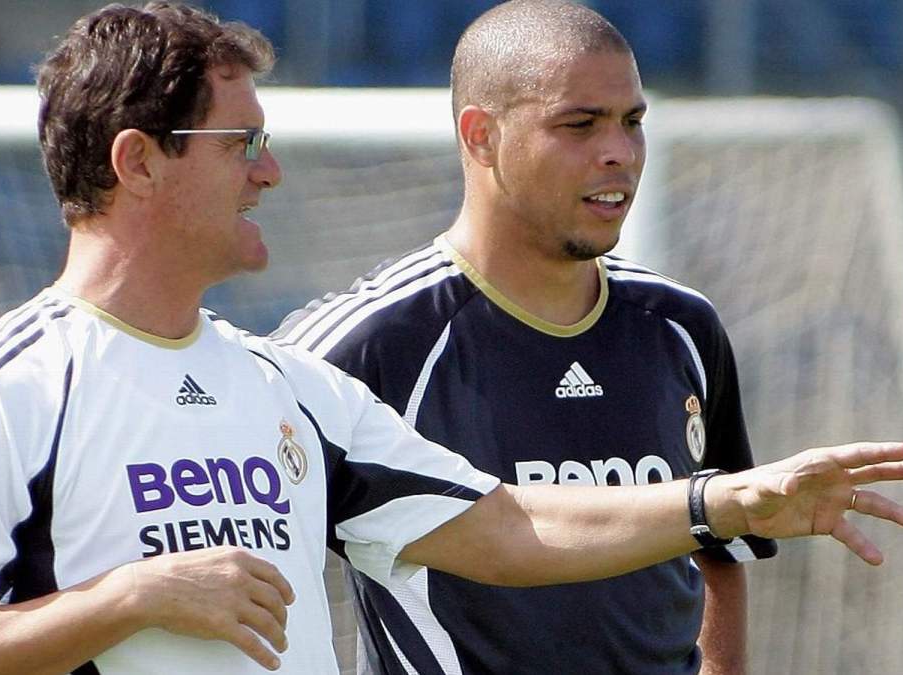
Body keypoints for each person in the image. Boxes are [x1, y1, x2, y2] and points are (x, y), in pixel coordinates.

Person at [0, 3, 903, 674]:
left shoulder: (288, 386)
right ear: (139, 163)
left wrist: (719, 502)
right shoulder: (2, 391)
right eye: (243, 144)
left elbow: (504, 528)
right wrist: (128, 599)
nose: (271, 171)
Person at [272, 1, 843, 673]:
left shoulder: (682, 326)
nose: (620, 153)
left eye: (633, 122)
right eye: (580, 124)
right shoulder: (363, 346)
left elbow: (719, 552)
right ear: (482, 136)